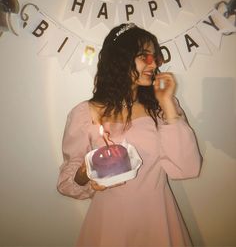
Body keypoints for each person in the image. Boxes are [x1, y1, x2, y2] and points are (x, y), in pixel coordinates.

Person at [57, 23, 202, 247]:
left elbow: (187, 168)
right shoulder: (85, 113)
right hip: (109, 224)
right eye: (144, 56)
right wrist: (85, 174)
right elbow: (67, 182)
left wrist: (166, 102)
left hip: (160, 219)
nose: (153, 63)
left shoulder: (161, 108)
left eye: (154, 56)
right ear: (119, 60)